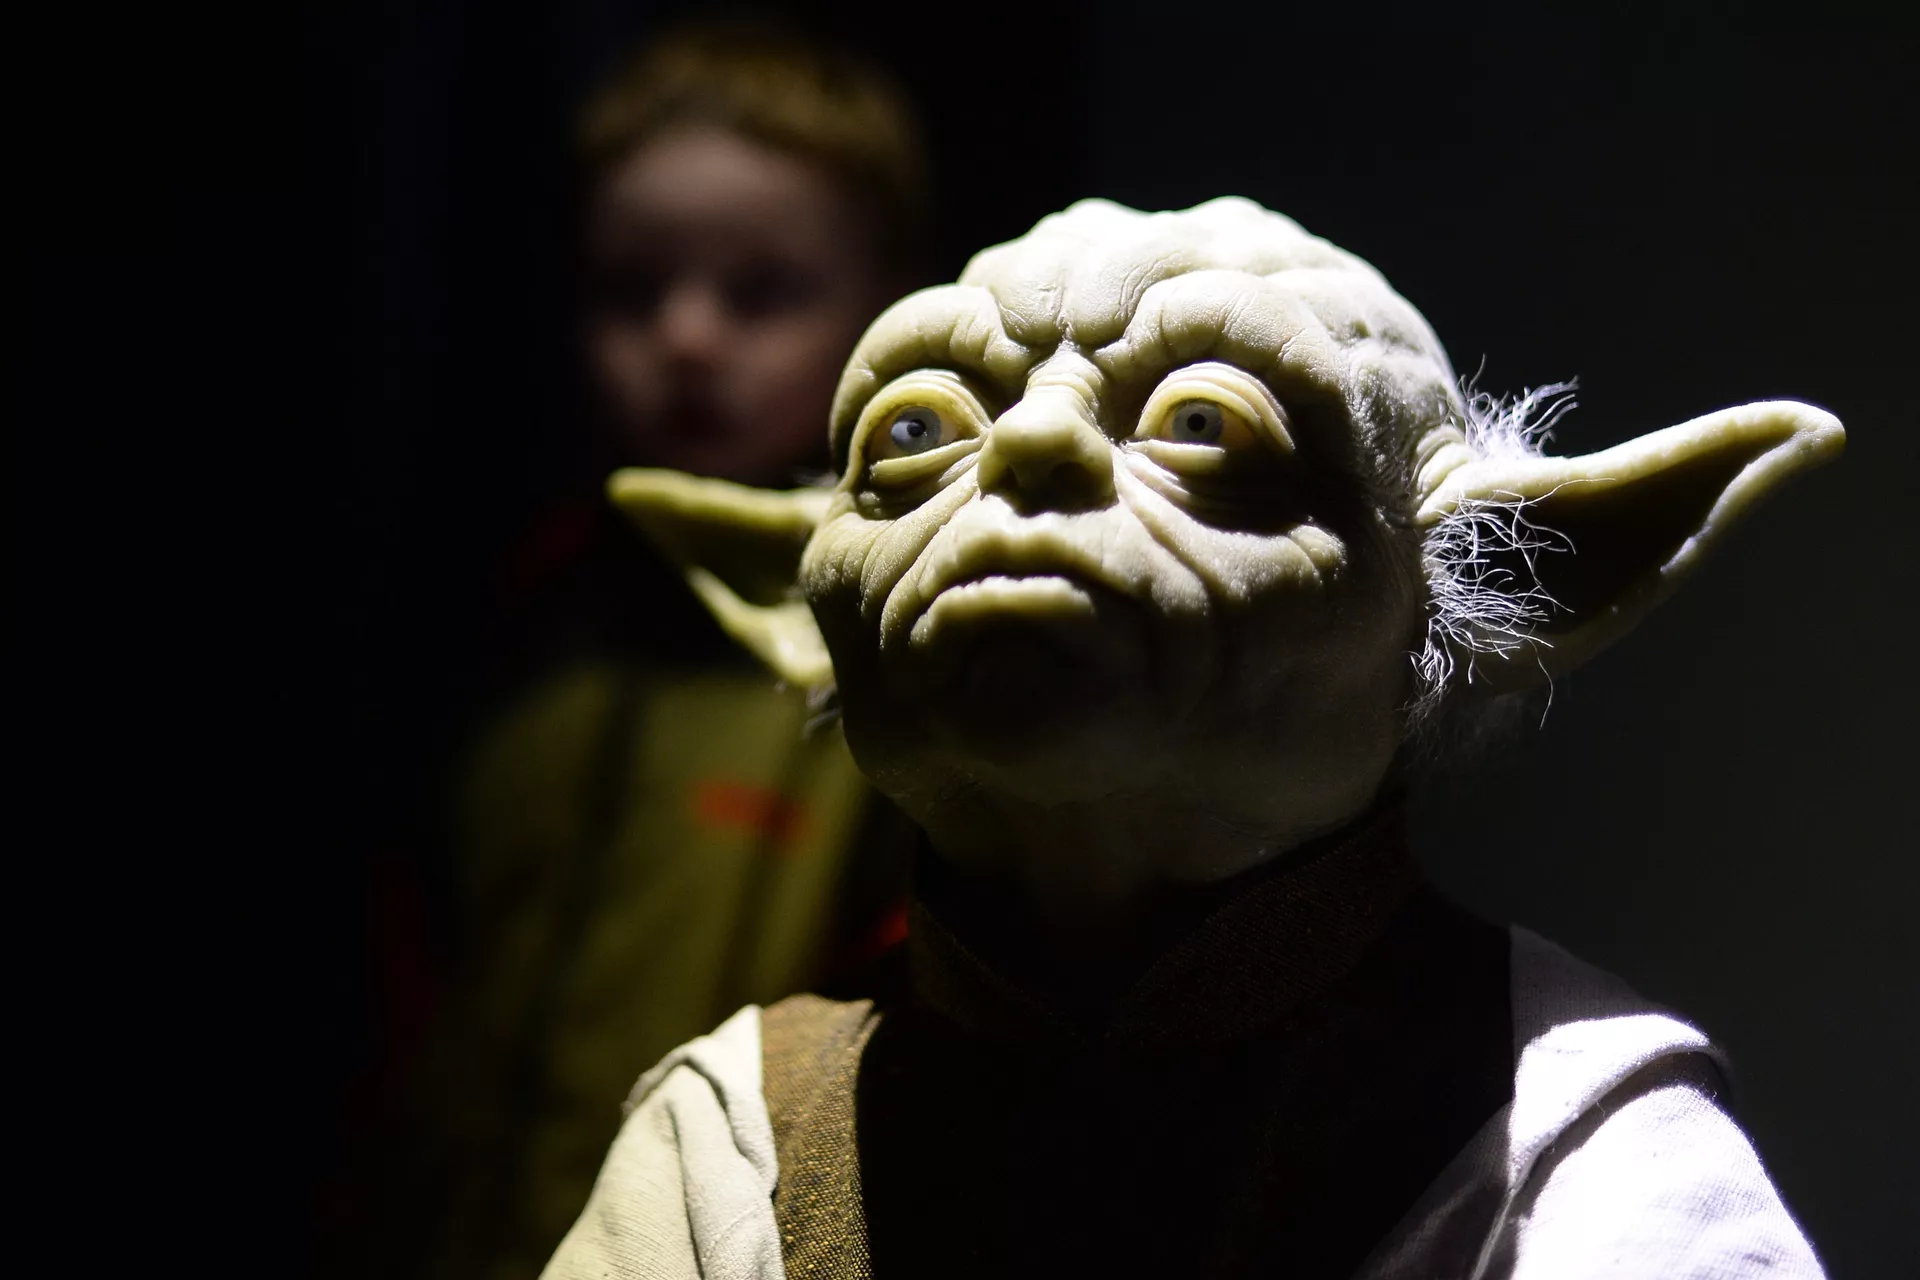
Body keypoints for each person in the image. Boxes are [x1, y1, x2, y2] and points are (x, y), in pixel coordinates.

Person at [548, 197, 1835, 1278]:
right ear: (813, 607)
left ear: (1493, 582)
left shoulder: (1571, 1129)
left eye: (1204, 424)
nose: (1034, 438)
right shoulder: (737, 1132)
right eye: (921, 432)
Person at [355, 22, 932, 1280]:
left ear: (889, 305)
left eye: (761, 292)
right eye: (629, 290)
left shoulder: (901, 667)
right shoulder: (521, 620)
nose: (686, 337)